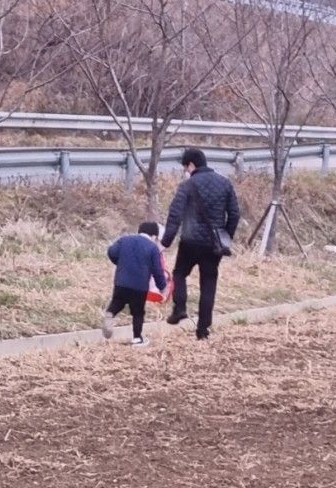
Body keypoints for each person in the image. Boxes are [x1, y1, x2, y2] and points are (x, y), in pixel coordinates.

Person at [161, 147, 240, 341]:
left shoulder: (187, 186)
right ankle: (203, 330)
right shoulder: (225, 183)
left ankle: (179, 308)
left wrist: (166, 241)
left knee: (179, 273)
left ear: (191, 165)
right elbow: (235, 214)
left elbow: (175, 215)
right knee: (209, 283)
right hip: (214, 245)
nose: (185, 171)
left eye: (185, 167)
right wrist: (225, 237)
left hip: (189, 241)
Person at [103, 221, 167, 348]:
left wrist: (120, 262)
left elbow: (111, 252)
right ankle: (137, 338)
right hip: (139, 285)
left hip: (121, 282)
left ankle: (110, 313)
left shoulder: (125, 240)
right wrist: (162, 287)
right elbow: (157, 270)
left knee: (117, 302)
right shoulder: (152, 248)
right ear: (154, 236)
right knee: (138, 312)